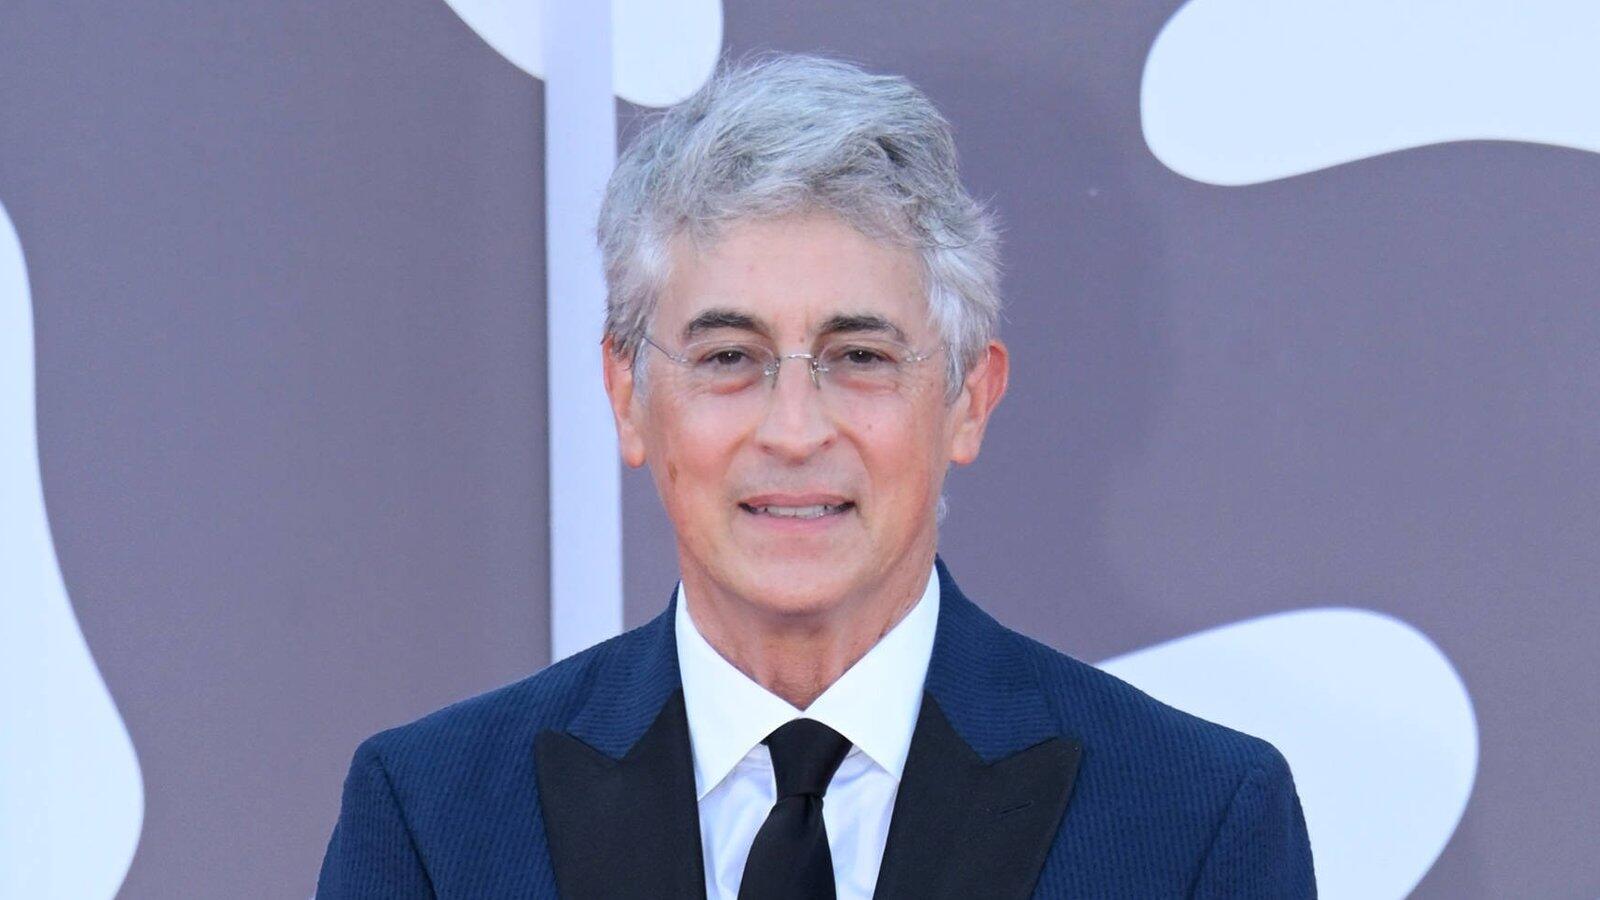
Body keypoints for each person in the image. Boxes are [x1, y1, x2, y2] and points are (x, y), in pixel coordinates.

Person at [316, 54, 1315, 899]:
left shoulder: (1195, 821)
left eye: (860, 356)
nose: (793, 431)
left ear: (968, 397)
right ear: (627, 396)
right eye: (728, 357)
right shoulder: (435, 819)